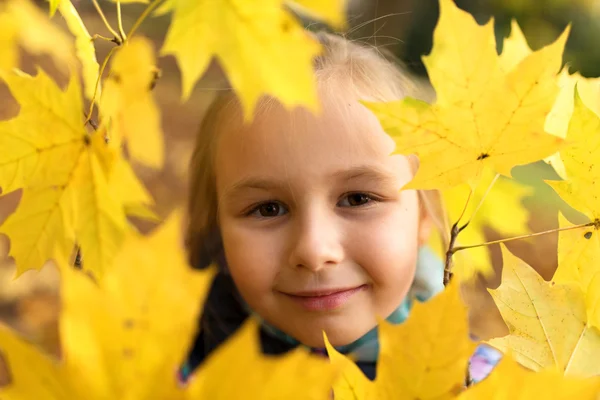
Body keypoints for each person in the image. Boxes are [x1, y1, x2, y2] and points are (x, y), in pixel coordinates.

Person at [179, 31, 500, 385]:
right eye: (268, 208)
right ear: (217, 230)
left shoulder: (477, 385)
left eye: (358, 199)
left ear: (424, 214)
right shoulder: (160, 369)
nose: (315, 250)